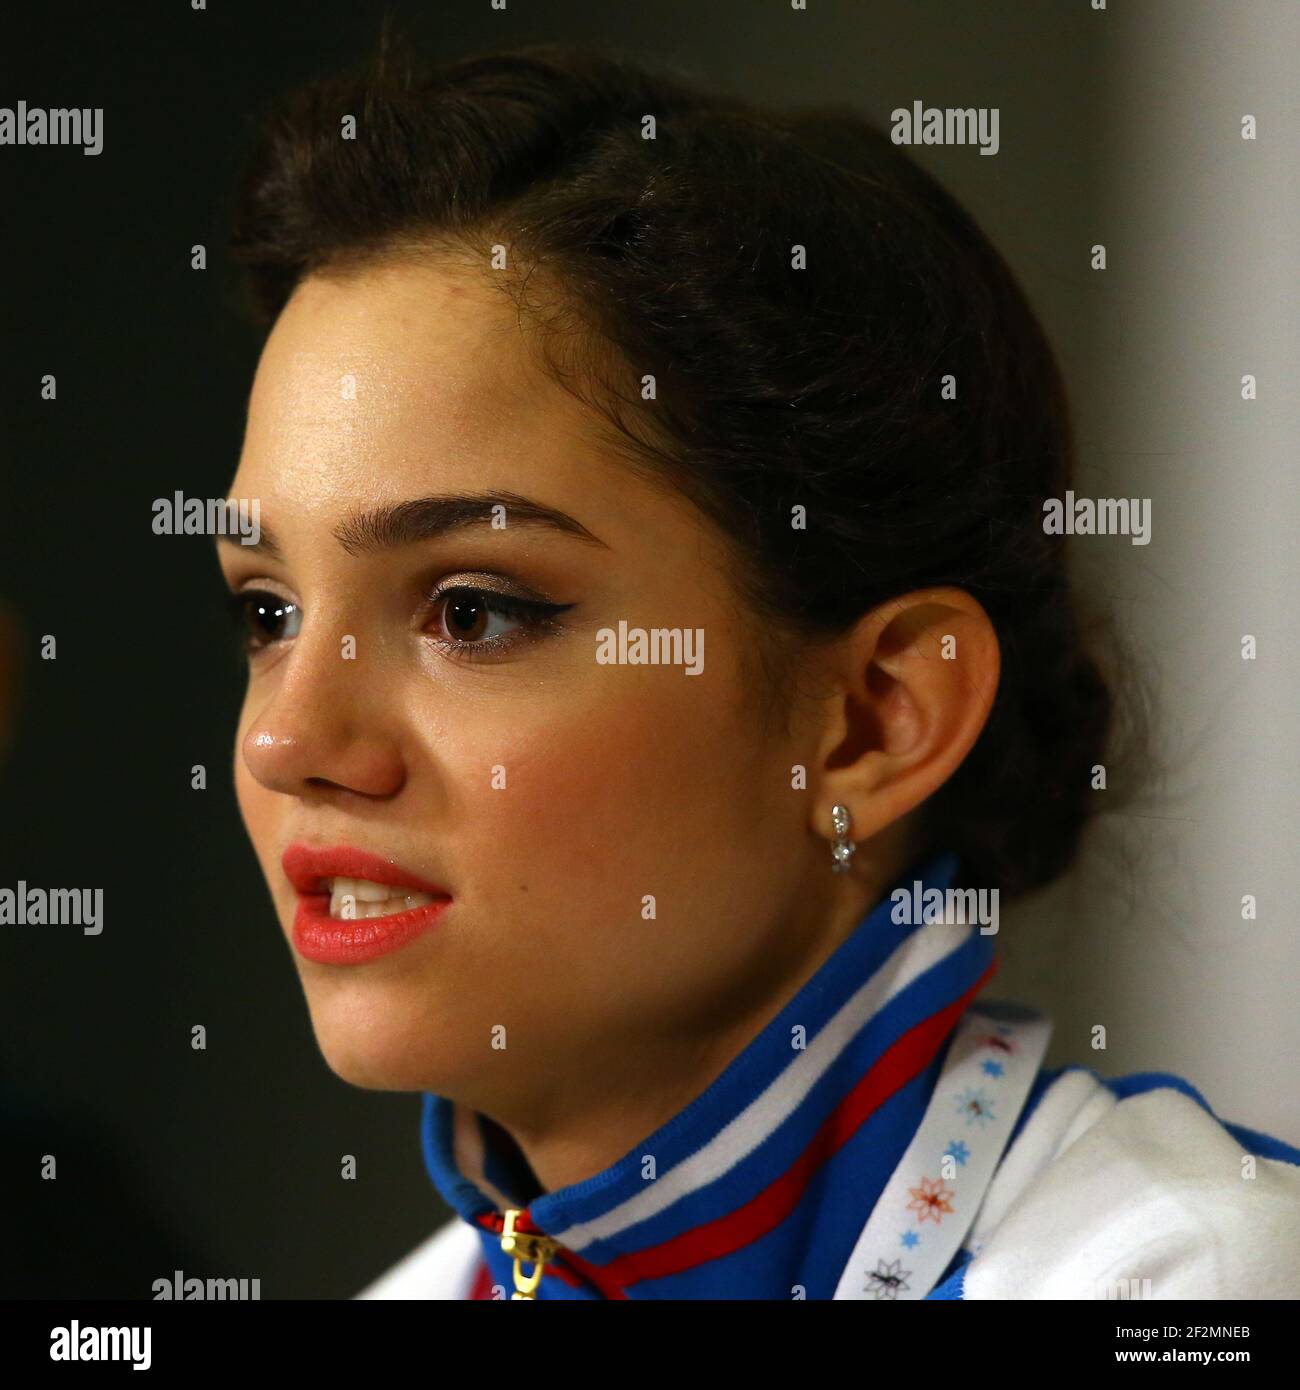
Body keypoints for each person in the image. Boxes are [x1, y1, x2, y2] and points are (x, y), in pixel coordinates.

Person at [216, 40, 1300, 1300]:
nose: (285, 741)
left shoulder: (1197, 1279)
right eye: (267, 612)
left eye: (472, 611)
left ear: (876, 718)